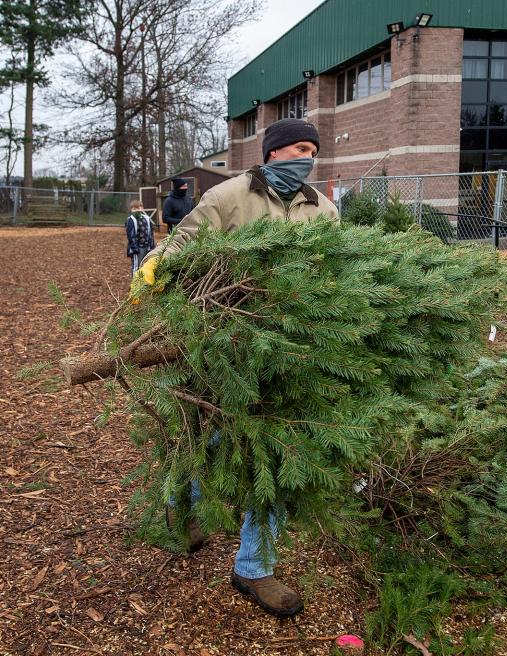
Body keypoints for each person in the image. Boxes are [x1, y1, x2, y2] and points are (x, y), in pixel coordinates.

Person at [134, 118, 339, 618]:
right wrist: (155, 270)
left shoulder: (324, 209)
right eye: (296, 148)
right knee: (207, 437)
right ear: (271, 153)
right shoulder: (228, 197)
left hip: (288, 350)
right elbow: (182, 244)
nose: (305, 157)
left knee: (278, 453)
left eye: (312, 149)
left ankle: (253, 568)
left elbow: (337, 272)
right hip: (223, 343)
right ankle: (183, 510)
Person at [124, 199, 155, 276]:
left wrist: (151, 245)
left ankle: (143, 282)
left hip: (147, 246)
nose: (137, 210)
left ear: (142, 208)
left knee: (145, 264)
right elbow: (130, 235)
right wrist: (134, 248)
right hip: (137, 248)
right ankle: (135, 283)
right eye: (134, 208)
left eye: (139, 208)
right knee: (136, 266)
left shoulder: (147, 218)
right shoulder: (131, 220)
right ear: (131, 209)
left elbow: (150, 232)